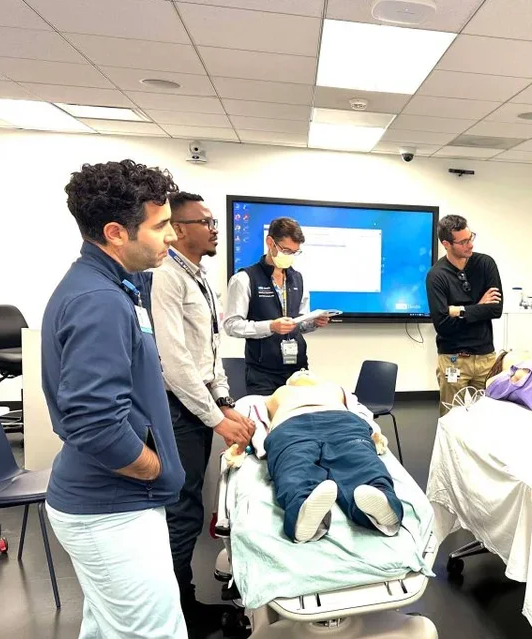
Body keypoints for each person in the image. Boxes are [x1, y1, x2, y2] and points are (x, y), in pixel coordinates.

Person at [42, 160, 187, 638]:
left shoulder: (116, 285)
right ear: (115, 232)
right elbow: (94, 424)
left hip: (110, 503)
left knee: (108, 628)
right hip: (111, 508)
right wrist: (155, 468)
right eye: (161, 225)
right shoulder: (98, 300)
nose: (172, 235)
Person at [149, 192, 255, 635]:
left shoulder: (198, 276)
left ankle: (183, 600)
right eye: (207, 221)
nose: (216, 229)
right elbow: (176, 366)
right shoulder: (166, 279)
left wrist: (225, 402)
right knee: (182, 509)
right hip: (179, 411)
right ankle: (180, 611)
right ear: (179, 228)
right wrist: (216, 417)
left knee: (191, 503)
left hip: (200, 404)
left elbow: (209, 353)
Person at [249, 370, 403, 543]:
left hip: (342, 423)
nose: (302, 371)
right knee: (294, 466)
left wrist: (374, 432)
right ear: (288, 382)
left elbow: (359, 410)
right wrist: (260, 446)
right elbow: (257, 419)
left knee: (361, 461)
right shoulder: (277, 394)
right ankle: (304, 510)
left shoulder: (335, 389)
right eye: (297, 373)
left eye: (307, 371)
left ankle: (380, 502)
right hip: (292, 428)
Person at [224, 217, 330, 396]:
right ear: (270, 242)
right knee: (267, 422)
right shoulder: (244, 279)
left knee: (298, 420)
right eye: (286, 250)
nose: (289, 256)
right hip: (262, 374)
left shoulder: (298, 279)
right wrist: (271, 326)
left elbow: (299, 323)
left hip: (298, 371)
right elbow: (231, 325)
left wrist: (313, 322)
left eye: (295, 252)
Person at [426, 215, 503, 415]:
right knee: (451, 420)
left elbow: (495, 310)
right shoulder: (436, 276)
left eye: (471, 238)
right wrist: (479, 307)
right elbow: (442, 325)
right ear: (446, 244)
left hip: (486, 357)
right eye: (463, 242)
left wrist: (457, 310)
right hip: (453, 358)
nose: (470, 245)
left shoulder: (486, 264)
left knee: (489, 417)